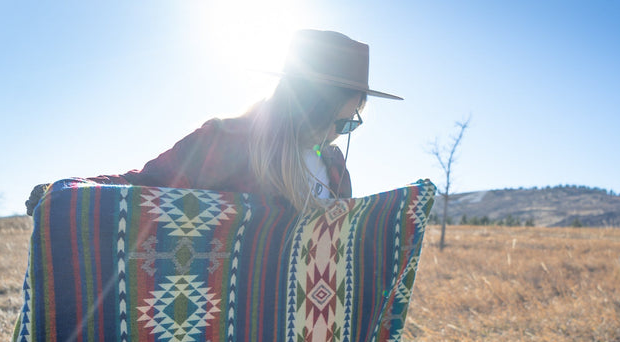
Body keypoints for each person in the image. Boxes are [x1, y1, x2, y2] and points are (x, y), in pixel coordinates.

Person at [25, 29, 402, 215]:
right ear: (311, 105)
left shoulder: (335, 168)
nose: (339, 135)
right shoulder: (226, 142)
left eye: (351, 125)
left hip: (299, 333)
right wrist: (66, 194)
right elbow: (143, 186)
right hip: (231, 325)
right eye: (339, 122)